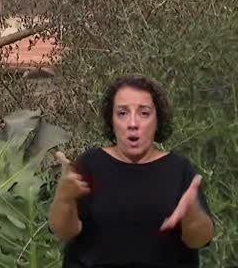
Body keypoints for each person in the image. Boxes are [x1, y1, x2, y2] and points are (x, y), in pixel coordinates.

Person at [49, 75, 214, 268]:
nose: (132, 123)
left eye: (144, 113)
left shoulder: (179, 170)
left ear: (157, 119)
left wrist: (191, 208)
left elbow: (199, 240)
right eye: (122, 113)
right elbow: (64, 231)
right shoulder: (90, 164)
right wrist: (63, 197)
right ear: (111, 120)